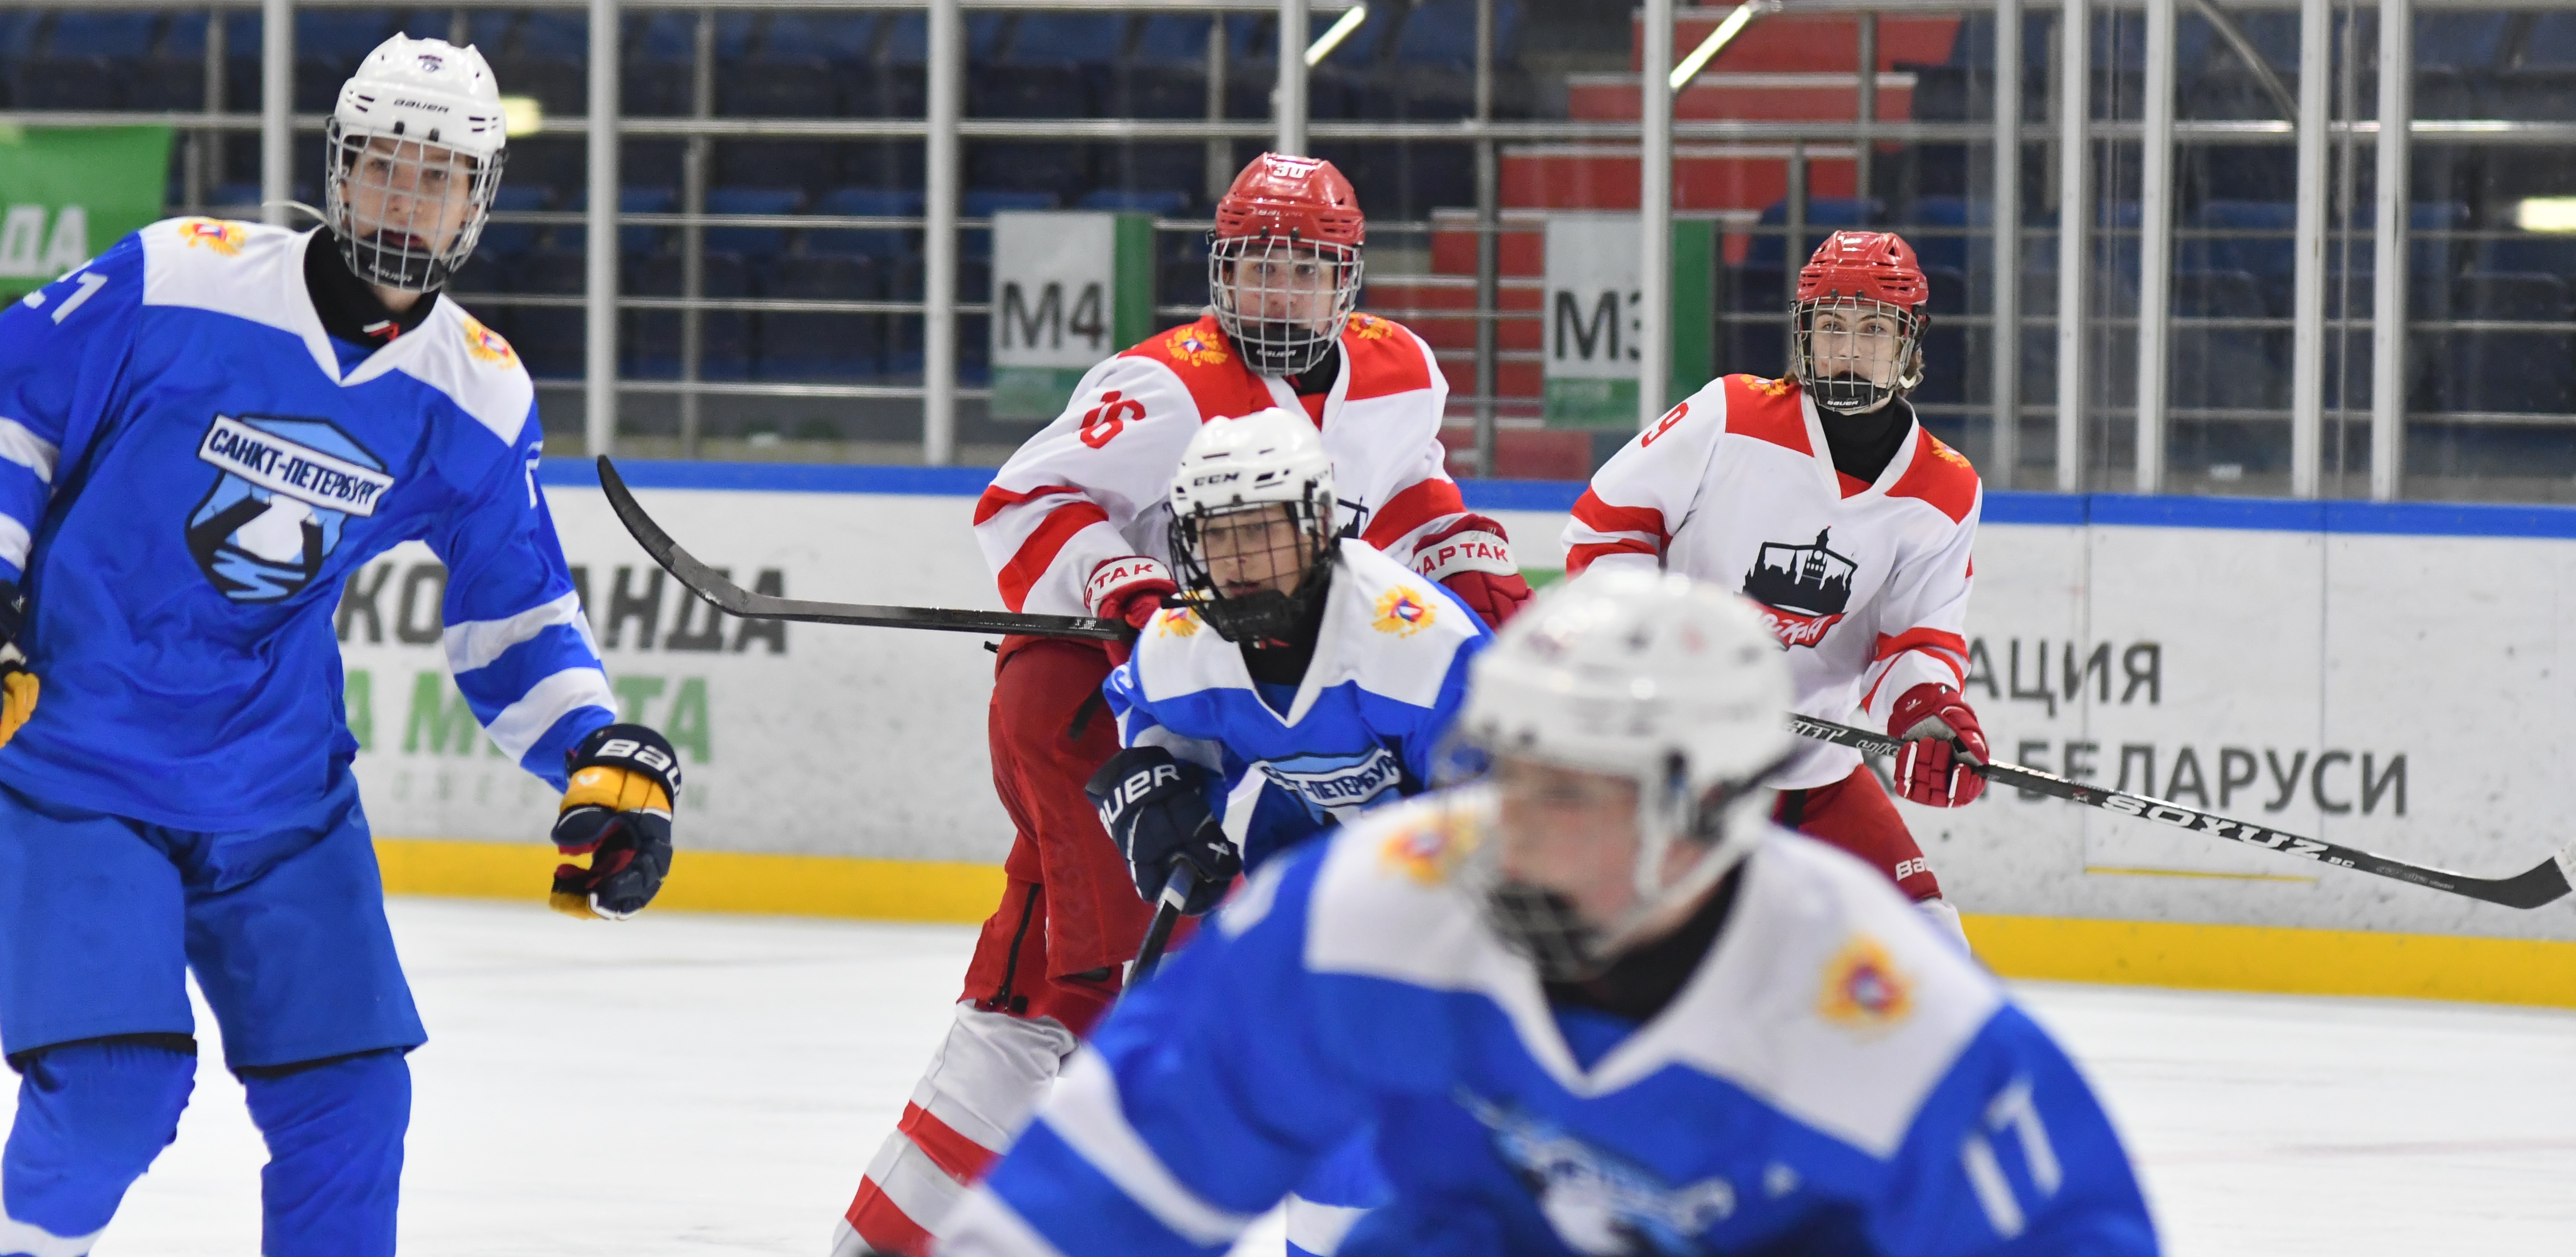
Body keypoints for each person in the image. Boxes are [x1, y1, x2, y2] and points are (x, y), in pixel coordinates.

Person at [941, 572, 2161, 1257]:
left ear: (1710, 809)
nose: (1510, 822)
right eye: (1508, 766)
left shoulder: (1888, 1019)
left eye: (1571, 789)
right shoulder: (1374, 909)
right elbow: (1110, 1182)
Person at [0, 36, 680, 1256]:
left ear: (480, 199)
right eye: (383, 167)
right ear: (338, 166)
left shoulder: (477, 390)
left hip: (279, 791)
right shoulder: (178, 279)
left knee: (353, 1105)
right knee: (112, 1097)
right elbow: (13, 414)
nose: (405, 198)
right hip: (70, 768)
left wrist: (596, 748)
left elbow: (511, 611)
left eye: (438, 176)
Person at [835, 154, 1531, 1257]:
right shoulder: (1161, 382)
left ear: (1349, 280)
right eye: (1258, 266)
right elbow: (1023, 501)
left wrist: (1478, 571)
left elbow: (1407, 486)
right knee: (1097, 995)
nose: (1279, 294)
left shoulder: (1401, 369)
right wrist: (1134, 585)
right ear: (1220, 270)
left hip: (1234, 707)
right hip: (1089, 704)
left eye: (1307, 270)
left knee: (1082, 997)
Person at [1084, 408, 1494, 1256]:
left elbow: (1507, 817)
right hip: (1309, 913)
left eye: (1260, 534)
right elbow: (1159, 735)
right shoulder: (1180, 644)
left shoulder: (1416, 644)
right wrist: (1160, 799)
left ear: (1316, 527)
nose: (1236, 563)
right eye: (1216, 538)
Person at [1561, 230, 1982, 940]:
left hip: (1811, 775)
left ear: (1912, 344)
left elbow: (1916, 636)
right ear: (1803, 334)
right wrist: (1654, 655)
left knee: (1934, 947)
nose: (1849, 348)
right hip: (1673, 763)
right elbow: (1606, 530)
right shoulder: (1728, 417)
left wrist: (1929, 716)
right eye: (1832, 326)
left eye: (1875, 328)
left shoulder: (1945, 487)